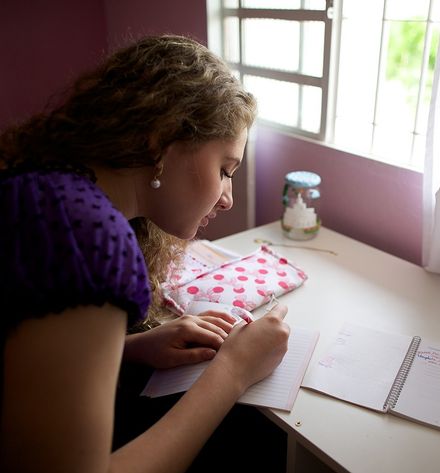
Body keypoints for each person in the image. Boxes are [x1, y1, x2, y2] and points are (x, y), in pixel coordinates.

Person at [0, 34, 290, 473]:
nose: (227, 198)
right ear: (162, 140)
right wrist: (233, 372)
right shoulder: (89, 237)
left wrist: (130, 347)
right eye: (224, 170)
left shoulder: (46, 186)